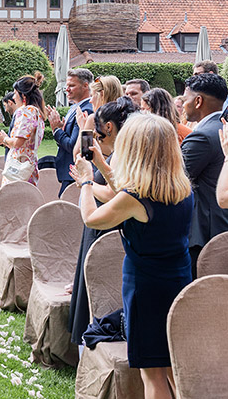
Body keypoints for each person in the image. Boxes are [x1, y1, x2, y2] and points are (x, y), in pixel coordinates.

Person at [75, 113, 192, 399]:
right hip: (177, 280)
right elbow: (129, 191)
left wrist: (86, 182)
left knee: (152, 374)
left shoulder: (136, 198)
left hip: (145, 289)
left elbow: (91, 217)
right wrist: (102, 165)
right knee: (172, 368)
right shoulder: (180, 188)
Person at [66, 96, 140, 348]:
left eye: (98, 133)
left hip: (105, 223)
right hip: (106, 219)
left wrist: (86, 183)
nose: (97, 138)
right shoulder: (121, 150)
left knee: (96, 286)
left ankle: (86, 342)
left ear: (109, 127)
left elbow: (113, 193)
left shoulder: (121, 153)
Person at [180, 73, 228, 277]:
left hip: (202, 232)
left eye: (185, 99)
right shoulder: (224, 129)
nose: (183, 105)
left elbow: (174, 178)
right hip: (221, 224)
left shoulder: (202, 137)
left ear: (198, 101)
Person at [0, 73, 46, 186]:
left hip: (18, 169)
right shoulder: (38, 113)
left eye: (15, 93)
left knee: (12, 195)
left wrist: (4, 139)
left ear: (23, 96)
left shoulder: (25, 111)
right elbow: (24, 146)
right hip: (29, 167)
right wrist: (4, 139)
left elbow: (18, 143)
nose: (14, 97)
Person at [46, 68, 93, 194]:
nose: (67, 89)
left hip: (75, 172)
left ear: (85, 86)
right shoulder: (74, 108)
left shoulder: (86, 110)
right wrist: (61, 129)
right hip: (68, 172)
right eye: (67, 86)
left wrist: (56, 130)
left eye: (72, 85)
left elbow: (75, 146)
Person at [1, 91, 20, 159]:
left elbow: (17, 143)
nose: (6, 110)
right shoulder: (16, 116)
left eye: (5, 106)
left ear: (10, 103)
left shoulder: (19, 118)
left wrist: (4, 139)